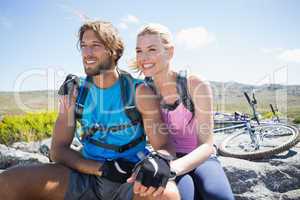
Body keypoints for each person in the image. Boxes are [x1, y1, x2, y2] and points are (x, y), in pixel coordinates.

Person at [0, 20, 180, 200]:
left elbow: (164, 146)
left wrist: (159, 161)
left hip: (130, 179)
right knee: (7, 181)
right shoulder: (75, 92)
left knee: (168, 195)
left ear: (114, 51)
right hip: (84, 176)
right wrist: (102, 169)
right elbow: (58, 150)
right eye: (84, 46)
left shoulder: (139, 92)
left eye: (95, 45)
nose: (87, 53)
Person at [132, 23, 234, 200]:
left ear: (169, 52)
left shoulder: (194, 84)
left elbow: (207, 145)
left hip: (202, 157)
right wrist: (164, 164)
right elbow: (160, 144)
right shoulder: (144, 91)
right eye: (139, 51)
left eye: (152, 49)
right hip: (168, 156)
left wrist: (172, 169)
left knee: (217, 195)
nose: (144, 57)